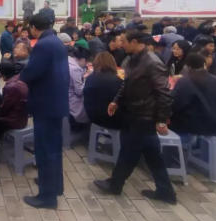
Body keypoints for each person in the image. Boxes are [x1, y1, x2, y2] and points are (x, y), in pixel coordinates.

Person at [94, 31, 176, 205]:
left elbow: (164, 94)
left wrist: (162, 119)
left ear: (135, 42)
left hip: (144, 115)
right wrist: (116, 100)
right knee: (150, 155)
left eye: (124, 41)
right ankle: (165, 191)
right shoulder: (133, 59)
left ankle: (115, 184)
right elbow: (127, 83)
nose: (121, 44)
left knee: (130, 152)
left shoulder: (152, 63)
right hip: (133, 112)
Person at [20, 14, 69, 210]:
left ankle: (47, 197)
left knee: (45, 151)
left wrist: (22, 73)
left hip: (46, 105)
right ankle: (54, 185)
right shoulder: (56, 42)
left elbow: (31, 73)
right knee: (54, 149)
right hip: (56, 103)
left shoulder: (43, 45)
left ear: (33, 27)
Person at [169, 53, 216, 140]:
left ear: (187, 66)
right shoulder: (215, 79)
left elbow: (176, 104)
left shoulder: (185, 81)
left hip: (194, 126)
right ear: (204, 64)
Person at [83, 52, 122, 129]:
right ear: (112, 63)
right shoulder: (118, 81)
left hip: (92, 116)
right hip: (112, 118)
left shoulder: (89, 78)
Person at [0, 57, 29, 138]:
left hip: (14, 121)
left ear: (2, 73)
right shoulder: (20, 79)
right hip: (22, 117)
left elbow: (4, 109)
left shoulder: (11, 87)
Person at [67, 45, 90, 127]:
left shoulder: (68, 60)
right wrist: (86, 78)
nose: (87, 64)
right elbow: (79, 91)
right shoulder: (75, 69)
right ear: (83, 59)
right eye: (87, 62)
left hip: (65, 98)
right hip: (73, 104)